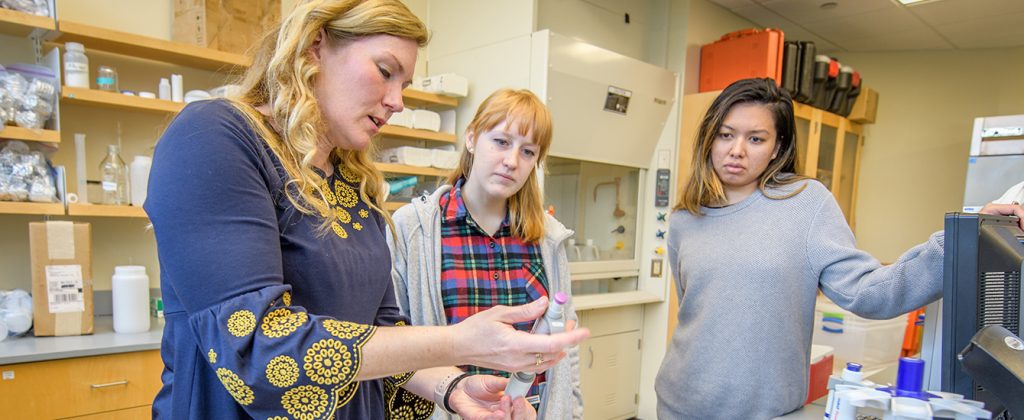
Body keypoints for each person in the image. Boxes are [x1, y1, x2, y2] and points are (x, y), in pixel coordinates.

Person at [144, 1, 587, 419]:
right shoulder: (215, 138)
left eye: (405, 86)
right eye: (385, 72)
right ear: (316, 46)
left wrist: (449, 388)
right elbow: (258, 349)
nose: (397, 101)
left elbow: (382, 338)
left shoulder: (353, 186)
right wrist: (459, 342)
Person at [653, 78, 1024, 419]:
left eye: (755, 138)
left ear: (777, 147)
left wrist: (962, 240)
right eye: (725, 134)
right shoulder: (686, 219)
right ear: (709, 139)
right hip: (678, 402)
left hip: (765, 411)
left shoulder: (806, 203)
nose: (736, 150)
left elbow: (869, 292)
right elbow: (697, 313)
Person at [388, 89, 584, 419]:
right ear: (472, 138)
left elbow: (565, 345)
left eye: (528, 151)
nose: (512, 161)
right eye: (501, 142)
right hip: (449, 409)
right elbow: (393, 338)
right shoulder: (414, 229)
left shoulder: (548, 238)